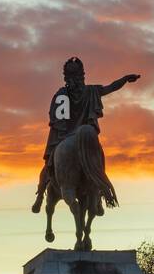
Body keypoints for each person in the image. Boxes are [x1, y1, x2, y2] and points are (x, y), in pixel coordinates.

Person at [32, 57, 140, 212]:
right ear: (83, 75)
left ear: (66, 77)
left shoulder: (61, 94)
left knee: (49, 164)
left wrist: (62, 135)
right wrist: (125, 79)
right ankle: (100, 192)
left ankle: (40, 196)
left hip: (65, 136)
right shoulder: (91, 91)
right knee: (98, 159)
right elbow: (110, 88)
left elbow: (55, 117)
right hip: (86, 137)